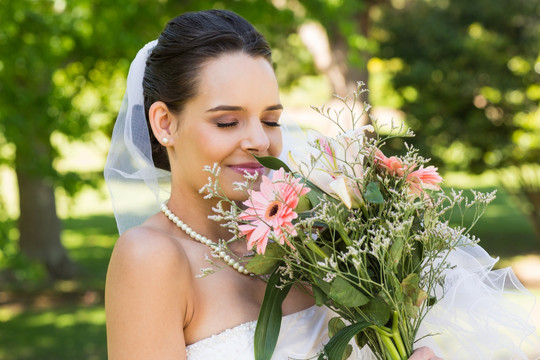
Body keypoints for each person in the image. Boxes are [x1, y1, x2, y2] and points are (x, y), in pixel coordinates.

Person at [103, 10, 538, 360]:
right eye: (227, 121)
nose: (258, 139)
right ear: (164, 123)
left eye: (270, 119)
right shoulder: (152, 259)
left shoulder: (315, 238)